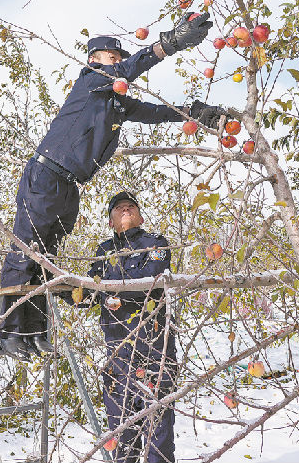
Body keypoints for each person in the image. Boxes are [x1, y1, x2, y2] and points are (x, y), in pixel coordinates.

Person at [0, 12, 226, 359]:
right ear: (95, 59)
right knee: (26, 250)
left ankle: (35, 330)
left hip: (69, 185)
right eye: (112, 57)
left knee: (46, 257)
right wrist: (168, 45)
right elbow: (128, 70)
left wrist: (191, 112)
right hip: (46, 176)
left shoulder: (114, 102)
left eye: (119, 56)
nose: (117, 61)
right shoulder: (91, 81)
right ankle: (9, 332)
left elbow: (152, 113)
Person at [89, 191, 177, 463]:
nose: (125, 209)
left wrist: (111, 290)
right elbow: (90, 289)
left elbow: (151, 278)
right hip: (118, 355)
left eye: (131, 206)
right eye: (119, 208)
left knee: (158, 435)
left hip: (154, 351)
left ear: (140, 217)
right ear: (110, 221)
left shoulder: (156, 243)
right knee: (122, 438)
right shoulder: (103, 251)